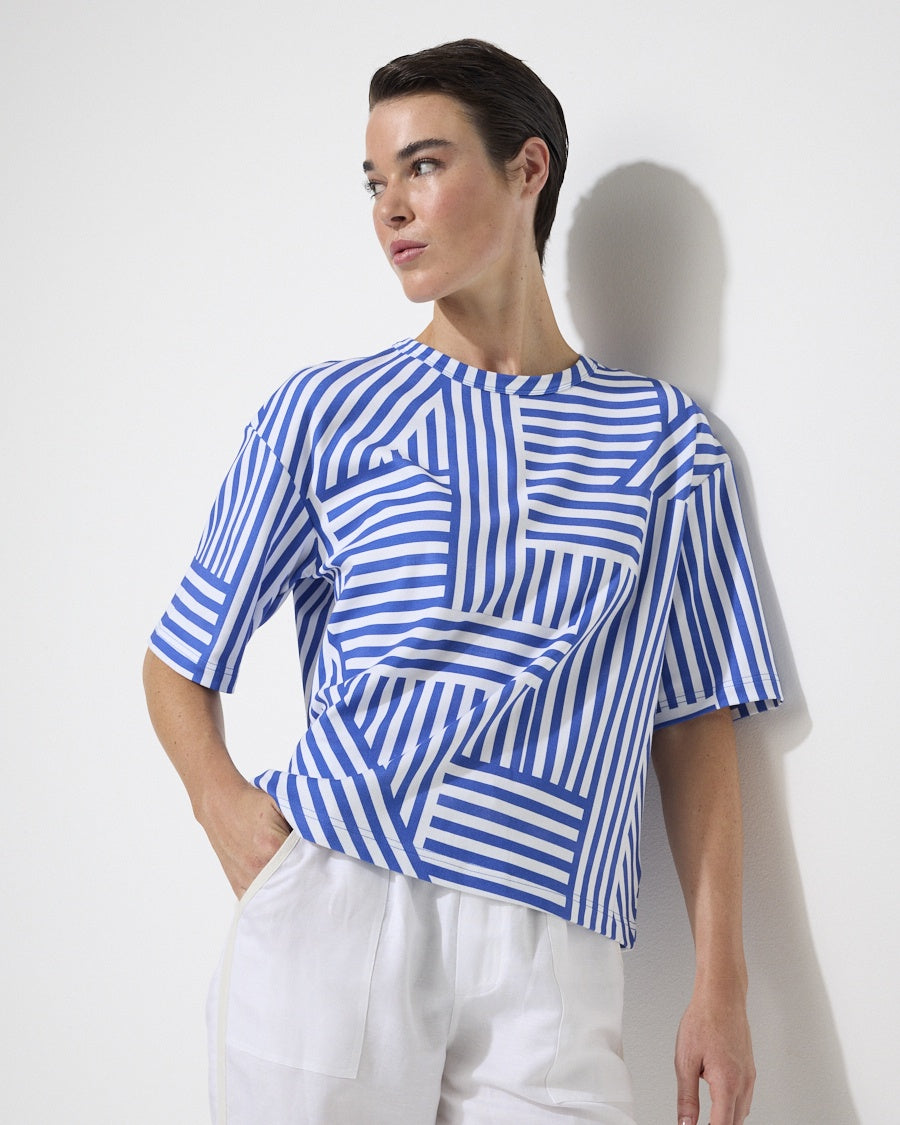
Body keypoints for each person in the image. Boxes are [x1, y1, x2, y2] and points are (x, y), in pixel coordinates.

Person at [143, 38, 781, 1125]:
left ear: (528, 169)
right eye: (375, 182)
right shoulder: (327, 413)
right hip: (341, 898)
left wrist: (721, 981)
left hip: (554, 938)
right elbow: (179, 657)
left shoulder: (667, 444)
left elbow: (694, 719)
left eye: (425, 165)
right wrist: (227, 813)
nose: (391, 207)